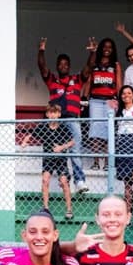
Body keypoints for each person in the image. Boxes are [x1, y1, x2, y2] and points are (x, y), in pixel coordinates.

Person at [37, 38, 88, 193]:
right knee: (53, 149)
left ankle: (79, 181)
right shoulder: (52, 80)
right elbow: (42, 66)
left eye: (66, 64)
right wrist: (41, 51)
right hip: (55, 120)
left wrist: (93, 53)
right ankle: (62, 179)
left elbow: (89, 67)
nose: (63, 66)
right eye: (61, 64)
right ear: (57, 66)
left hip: (72, 118)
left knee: (75, 149)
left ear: (69, 66)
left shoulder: (77, 79)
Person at [21, 103, 75, 221]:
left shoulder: (63, 127)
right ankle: (46, 208)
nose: (53, 115)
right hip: (48, 159)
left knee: (64, 181)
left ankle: (69, 209)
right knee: (45, 180)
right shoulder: (43, 127)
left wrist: (61, 147)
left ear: (59, 114)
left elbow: (72, 142)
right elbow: (30, 135)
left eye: (55, 113)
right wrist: (25, 141)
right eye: (50, 113)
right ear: (47, 114)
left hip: (60, 159)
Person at [83, 36, 122, 156]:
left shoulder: (116, 65)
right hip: (95, 100)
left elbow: (119, 84)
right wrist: (84, 97)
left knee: (108, 128)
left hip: (110, 100)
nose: (107, 49)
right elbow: (89, 82)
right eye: (105, 46)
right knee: (95, 128)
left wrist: (120, 102)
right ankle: (95, 160)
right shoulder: (94, 64)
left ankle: (106, 161)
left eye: (110, 47)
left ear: (113, 50)